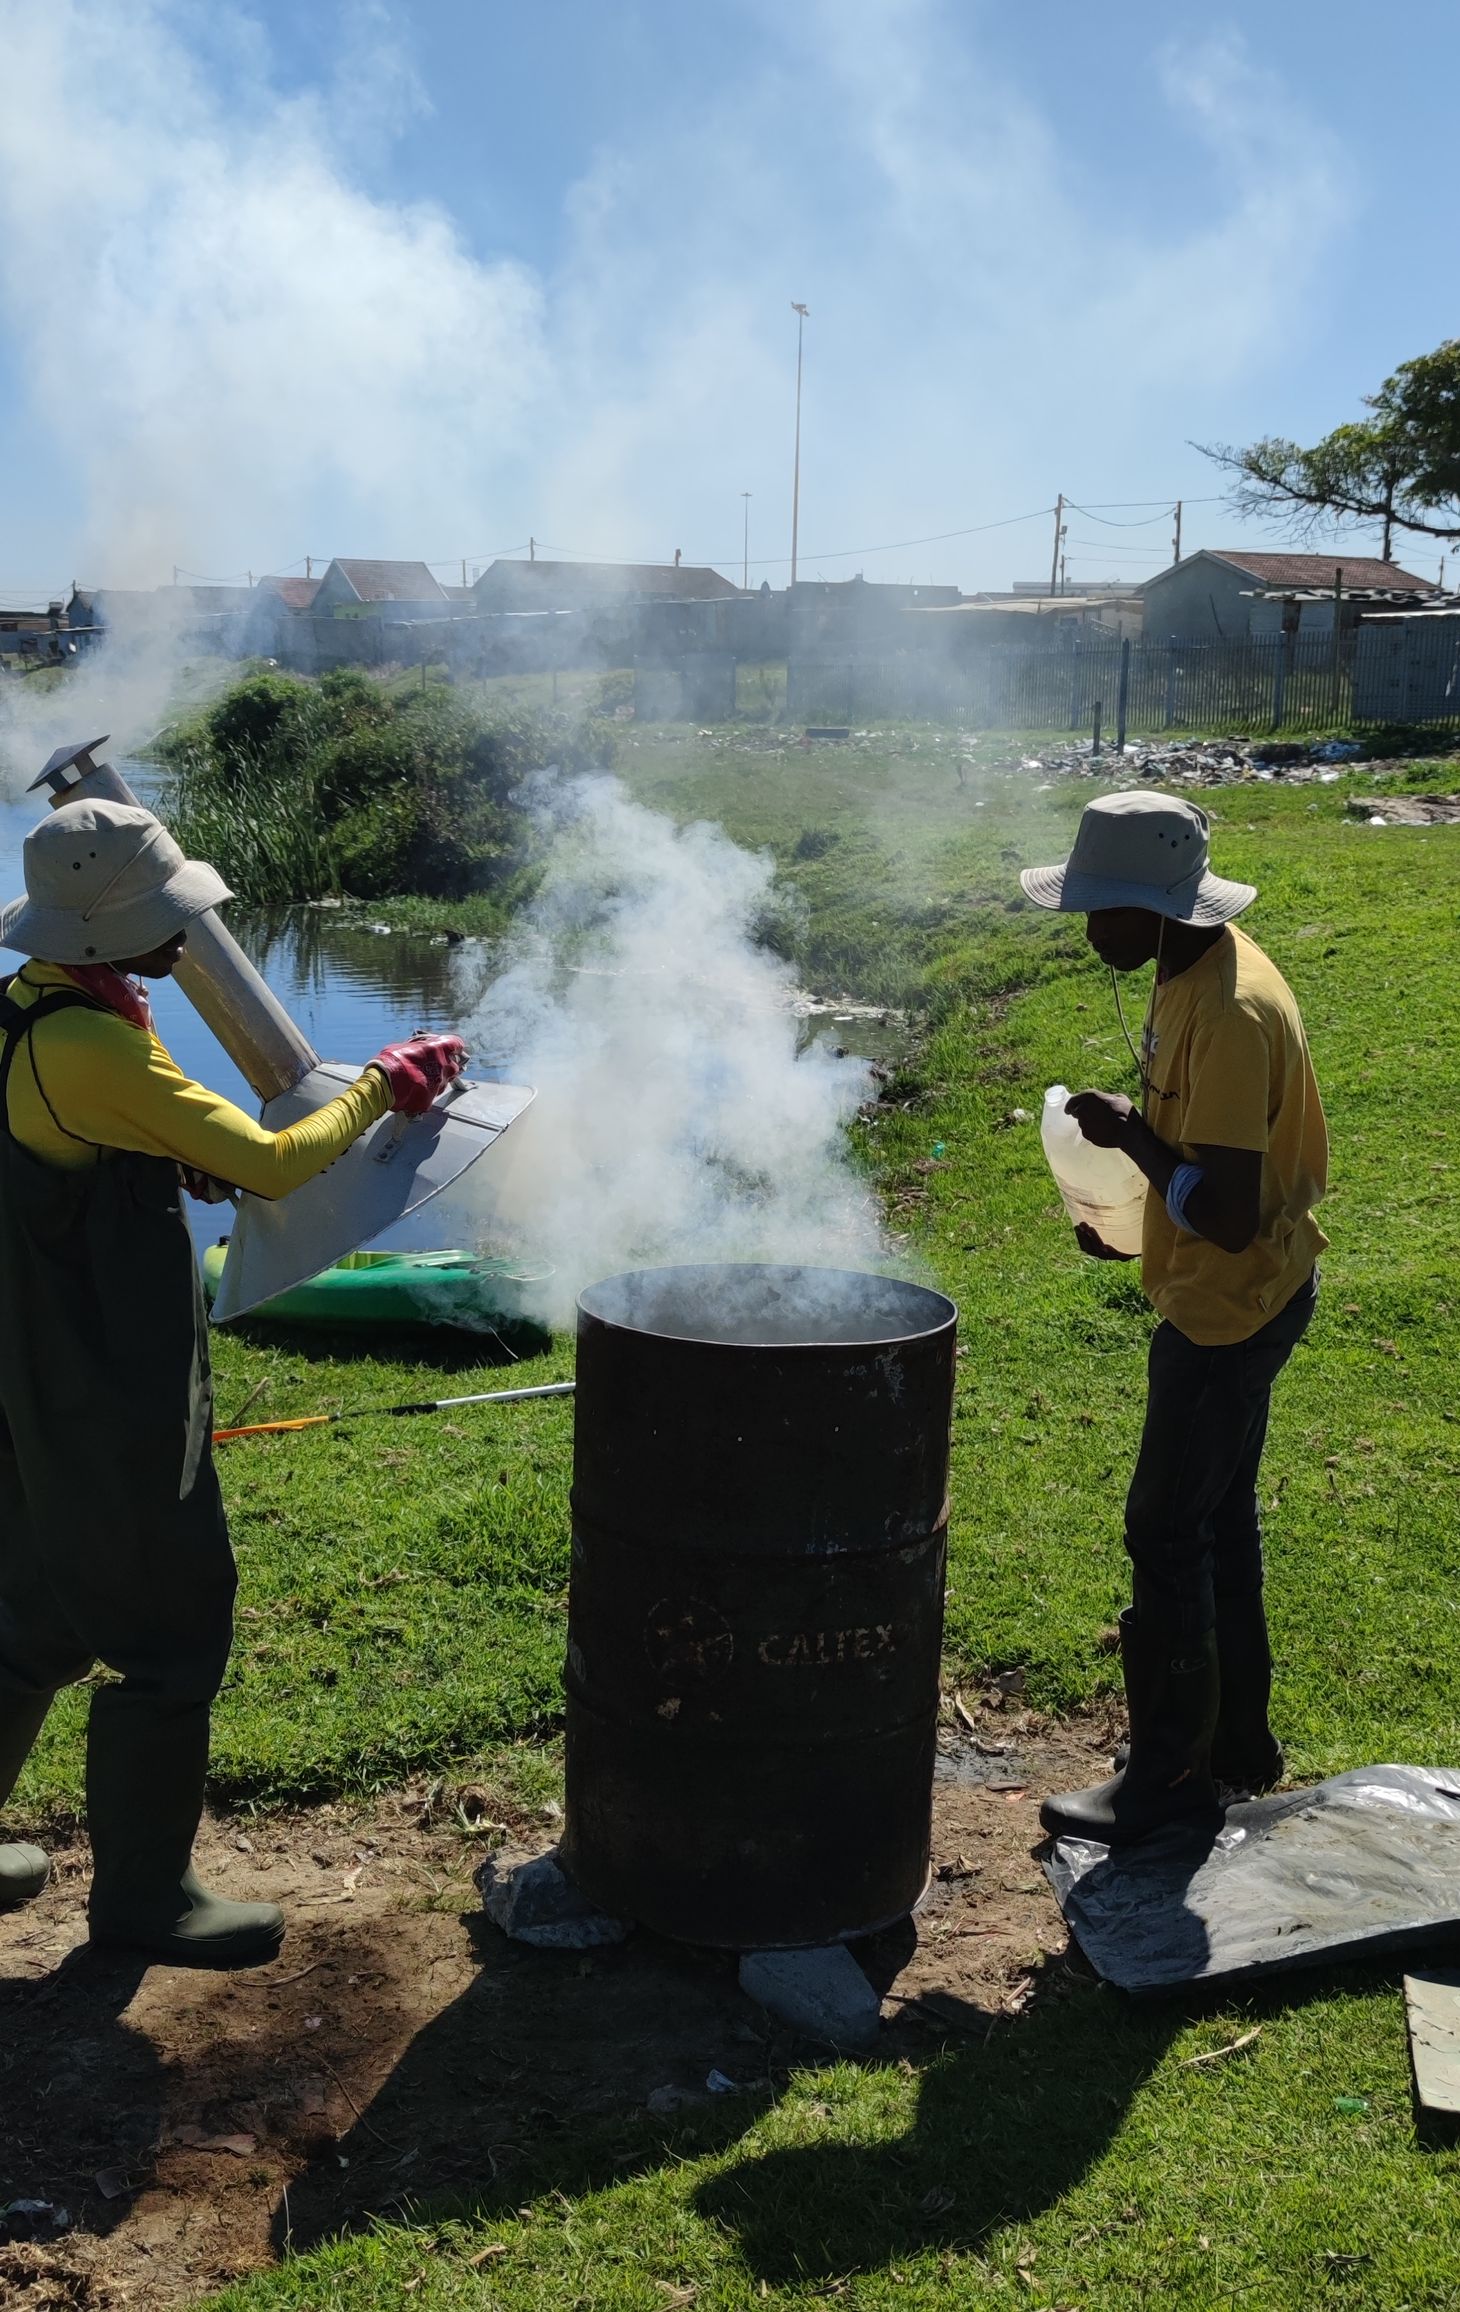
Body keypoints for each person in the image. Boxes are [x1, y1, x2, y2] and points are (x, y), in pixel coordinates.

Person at [0, 797, 467, 1964]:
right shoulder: (94, 1043)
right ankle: (145, 1901)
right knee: (170, 1628)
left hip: (30, 1366)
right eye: (169, 920)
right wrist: (386, 1081)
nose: (188, 934)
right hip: (104, 1380)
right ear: (107, 931)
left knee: (30, 1616)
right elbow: (270, 1160)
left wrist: (160, 1153)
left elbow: (71, 1144)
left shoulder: (30, 1006)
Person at [1019, 791, 1327, 1844]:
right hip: (1231, 1289)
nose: (1088, 930)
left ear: (1155, 907)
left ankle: (1166, 1779)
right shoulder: (1185, 966)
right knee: (1216, 1519)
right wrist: (1129, 1214)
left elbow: (1230, 1217)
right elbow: (1201, 1155)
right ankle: (1232, 1742)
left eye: (1101, 910)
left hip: (1227, 1309)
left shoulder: (1231, 1013)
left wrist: (1128, 1138)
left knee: (1162, 1528)